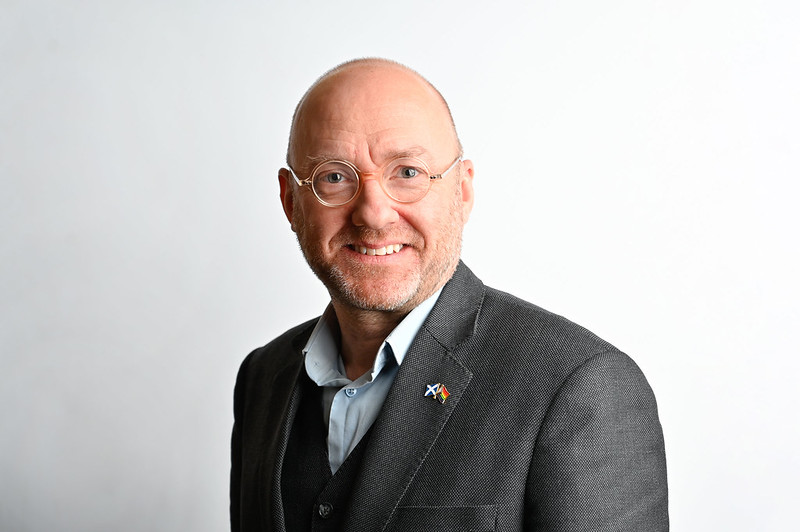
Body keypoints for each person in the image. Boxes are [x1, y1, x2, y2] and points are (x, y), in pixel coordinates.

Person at [230, 58, 668, 532]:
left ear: (462, 191)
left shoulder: (578, 387)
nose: (374, 215)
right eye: (334, 177)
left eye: (408, 172)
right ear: (290, 201)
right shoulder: (263, 378)